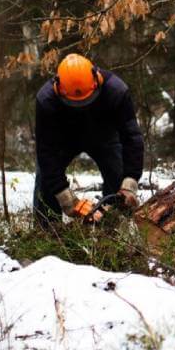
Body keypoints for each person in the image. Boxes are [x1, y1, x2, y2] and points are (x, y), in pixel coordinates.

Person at [33, 53, 144, 228]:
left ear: (96, 80)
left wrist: (131, 179)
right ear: (58, 88)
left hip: (105, 136)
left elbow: (132, 138)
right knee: (46, 183)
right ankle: (46, 230)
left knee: (119, 176)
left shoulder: (116, 91)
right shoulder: (46, 100)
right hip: (63, 140)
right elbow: (46, 151)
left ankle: (114, 227)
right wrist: (63, 194)